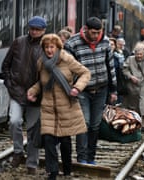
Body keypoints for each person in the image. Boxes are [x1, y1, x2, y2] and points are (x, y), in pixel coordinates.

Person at [27, 34, 91, 180]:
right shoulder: (41, 63)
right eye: (46, 47)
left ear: (57, 47)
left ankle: (67, 169)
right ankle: (53, 172)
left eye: (52, 47)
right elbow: (42, 83)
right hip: (48, 107)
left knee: (65, 142)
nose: (49, 50)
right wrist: (33, 91)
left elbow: (85, 73)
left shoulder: (66, 59)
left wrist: (77, 88)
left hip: (66, 107)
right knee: (49, 140)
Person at [64, 17, 117, 164]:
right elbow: (67, 70)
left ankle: (91, 157)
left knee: (95, 125)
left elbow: (110, 66)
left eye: (98, 32)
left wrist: (113, 90)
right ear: (86, 29)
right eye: (93, 33)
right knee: (84, 123)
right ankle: (82, 157)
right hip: (82, 90)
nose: (96, 36)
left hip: (101, 88)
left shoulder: (105, 42)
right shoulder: (72, 44)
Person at [1, 16, 47, 174]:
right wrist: (9, 82)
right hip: (17, 91)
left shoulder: (46, 46)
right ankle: (18, 152)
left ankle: (32, 163)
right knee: (14, 121)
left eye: (37, 29)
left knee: (34, 130)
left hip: (37, 96)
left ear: (43, 31)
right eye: (32, 29)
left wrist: (40, 91)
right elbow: (6, 65)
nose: (34, 32)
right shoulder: (18, 42)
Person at [121, 41, 144, 132]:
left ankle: (143, 125)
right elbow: (124, 69)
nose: (139, 56)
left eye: (141, 54)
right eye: (137, 54)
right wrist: (130, 76)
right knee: (132, 107)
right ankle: (133, 124)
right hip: (131, 87)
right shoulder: (130, 59)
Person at [109, 38, 126, 103]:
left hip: (117, 84)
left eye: (112, 45)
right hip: (105, 85)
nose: (110, 46)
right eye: (109, 44)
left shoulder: (118, 57)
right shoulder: (102, 56)